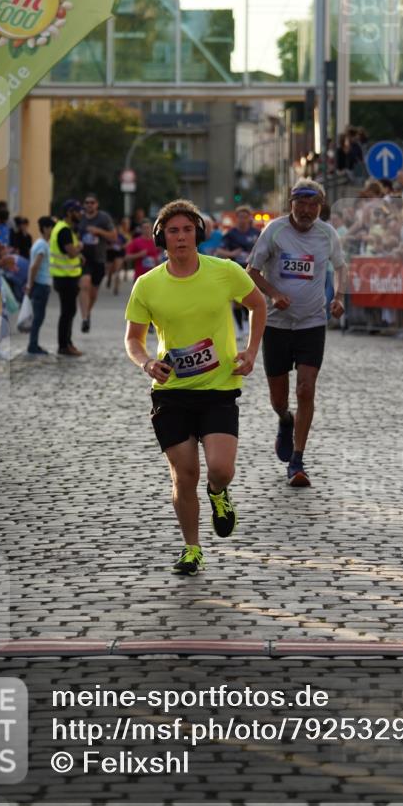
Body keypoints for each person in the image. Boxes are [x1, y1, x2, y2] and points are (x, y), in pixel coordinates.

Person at [124, 199, 266, 577]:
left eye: (188, 229)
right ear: (161, 237)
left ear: (199, 234)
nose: (182, 237)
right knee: (184, 474)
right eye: (174, 230)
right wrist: (146, 363)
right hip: (170, 392)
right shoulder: (147, 284)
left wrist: (251, 351)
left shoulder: (225, 272)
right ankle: (192, 548)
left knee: (220, 469)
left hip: (219, 387)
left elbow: (257, 304)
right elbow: (133, 339)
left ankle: (219, 494)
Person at [247, 180, 347, 487]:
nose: (306, 211)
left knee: (306, 389)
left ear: (321, 206)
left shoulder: (327, 234)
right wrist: (274, 292)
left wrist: (339, 296)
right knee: (279, 399)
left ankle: (298, 460)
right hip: (276, 325)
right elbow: (251, 270)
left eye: (313, 205)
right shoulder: (274, 231)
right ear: (291, 203)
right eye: (301, 204)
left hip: (311, 323)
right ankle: (284, 420)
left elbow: (341, 267)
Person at [76, 194, 117, 333]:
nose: (89, 205)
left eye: (92, 202)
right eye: (86, 202)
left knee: (93, 293)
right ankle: (84, 318)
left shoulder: (103, 218)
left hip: (99, 259)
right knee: (84, 285)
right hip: (83, 259)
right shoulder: (79, 218)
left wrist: (98, 231)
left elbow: (114, 236)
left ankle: (87, 313)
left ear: (97, 204)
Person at [50, 200, 83, 357]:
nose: (80, 214)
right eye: (77, 211)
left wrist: (79, 256)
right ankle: (64, 345)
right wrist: (79, 248)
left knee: (69, 311)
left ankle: (67, 343)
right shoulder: (64, 230)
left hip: (66, 277)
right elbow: (71, 252)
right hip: (65, 278)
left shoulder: (65, 228)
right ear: (69, 212)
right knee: (67, 312)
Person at [219, 205, 261, 332]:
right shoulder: (231, 234)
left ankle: (248, 323)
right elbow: (220, 250)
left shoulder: (256, 233)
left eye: (245, 217)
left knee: (250, 297)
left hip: (252, 270)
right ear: (236, 218)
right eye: (240, 217)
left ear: (250, 218)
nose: (243, 219)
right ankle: (239, 327)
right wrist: (233, 254)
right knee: (237, 299)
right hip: (235, 270)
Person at [24, 216, 54, 355]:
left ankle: (34, 343)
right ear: (46, 228)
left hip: (40, 284)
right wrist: (30, 284)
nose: (53, 231)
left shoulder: (39, 243)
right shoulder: (42, 245)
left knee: (38, 316)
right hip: (40, 284)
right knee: (38, 317)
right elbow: (34, 266)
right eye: (51, 228)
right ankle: (33, 344)